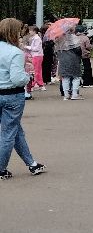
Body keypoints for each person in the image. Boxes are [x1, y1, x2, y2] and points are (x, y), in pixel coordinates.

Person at [0, 18, 47, 180]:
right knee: (9, 133)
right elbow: (17, 79)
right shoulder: (15, 53)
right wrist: (28, 75)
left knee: (15, 130)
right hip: (12, 95)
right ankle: (1, 169)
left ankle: (31, 163)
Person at [56, 29, 83, 100]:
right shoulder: (74, 38)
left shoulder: (59, 39)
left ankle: (66, 95)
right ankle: (74, 94)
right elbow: (78, 50)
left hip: (63, 59)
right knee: (76, 77)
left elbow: (56, 50)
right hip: (73, 59)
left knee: (65, 77)